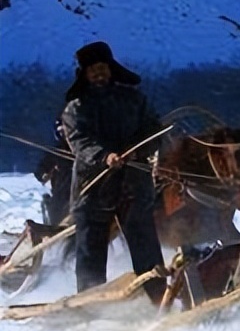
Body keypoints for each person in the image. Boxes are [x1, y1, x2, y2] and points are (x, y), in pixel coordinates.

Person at [61, 41, 166, 302]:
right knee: (90, 253)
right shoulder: (75, 108)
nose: (99, 74)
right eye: (93, 70)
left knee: (146, 248)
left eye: (103, 68)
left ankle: (157, 298)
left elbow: (153, 129)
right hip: (93, 187)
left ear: (111, 70)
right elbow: (79, 142)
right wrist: (104, 156)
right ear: (85, 74)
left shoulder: (134, 99)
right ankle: (89, 305)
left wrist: (137, 149)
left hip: (134, 186)